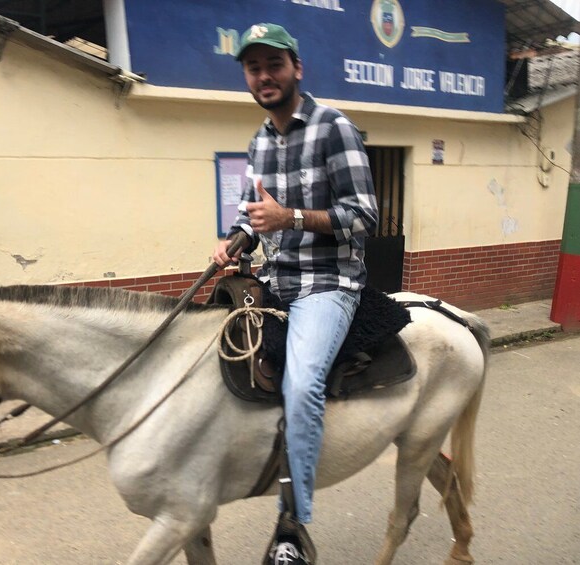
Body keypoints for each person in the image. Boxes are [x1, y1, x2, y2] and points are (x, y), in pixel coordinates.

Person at [212, 23, 378, 565]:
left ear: (296, 69)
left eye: (274, 64)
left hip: (327, 284)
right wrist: (235, 240)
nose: (264, 75)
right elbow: (251, 217)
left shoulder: (334, 129)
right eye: (254, 67)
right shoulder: (259, 141)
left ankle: (292, 526)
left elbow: (364, 218)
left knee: (302, 384)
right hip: (274, 281)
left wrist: (293, 217)